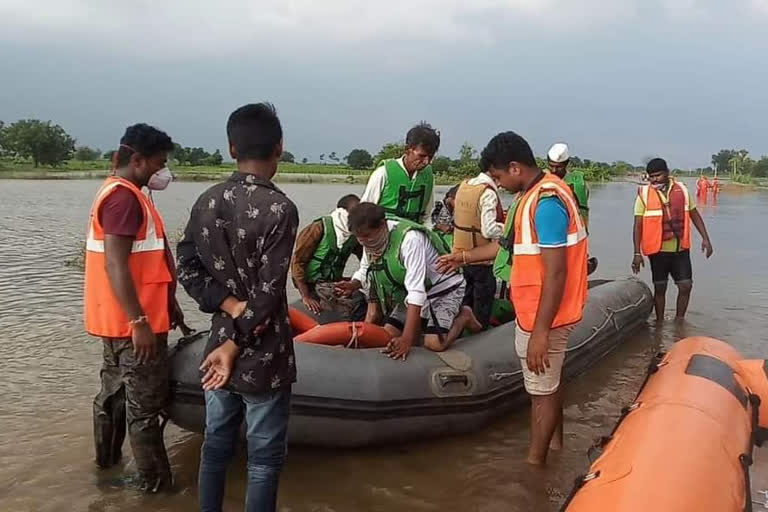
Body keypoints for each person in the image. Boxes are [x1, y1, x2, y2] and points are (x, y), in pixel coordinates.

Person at [438, 131, 588, 465]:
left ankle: (535, 471)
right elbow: (504, 246)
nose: (499, 184)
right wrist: (460, 258)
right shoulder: (530, 197)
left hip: (547, 316)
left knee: (540, 393)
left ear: (516, 167)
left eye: (499, 176)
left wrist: (540, 331)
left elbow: (556, 272)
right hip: (537, 312)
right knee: (548, 387)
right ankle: (556, 449)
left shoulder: (546, 204)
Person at [176, 103, 298, 512]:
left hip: (218, 342)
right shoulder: (280, 209)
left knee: (215, 445)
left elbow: (187, 267)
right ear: (279, 148)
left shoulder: (206, 202)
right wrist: (237, 340)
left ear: (231, 148)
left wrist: (226, 308)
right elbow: (268, 292)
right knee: (263, 460)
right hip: (264, 351)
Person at [84, 123, 185, 492]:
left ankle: (106, 468)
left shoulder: (123, 193)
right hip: (134, 325)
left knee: (111, 395)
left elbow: (147, 262)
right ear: (138, 160)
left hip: (118, 320)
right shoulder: (123, 198)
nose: (163, 172)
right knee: (143, 407)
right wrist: (139, 321)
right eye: (159, 164)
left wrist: (169, 302)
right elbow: (116, 263)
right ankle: (156, 488)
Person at [335, 203, 482, 358]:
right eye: (359, 238)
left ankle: (465, 316)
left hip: (443, 289)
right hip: (413, 291)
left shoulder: (410, 240)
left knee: (434, 344)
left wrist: (407, 339)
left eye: (367, 236)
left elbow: (416, 292)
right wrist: (353, 284)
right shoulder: (370, 242)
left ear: (383, 225)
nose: (363, 242)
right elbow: (366, 268)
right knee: (388, 335)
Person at [632, 158, 713, 322]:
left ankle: (679, 321)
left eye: (658, 175)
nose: (654, 179)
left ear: (667, 173)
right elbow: (637, 226)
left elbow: (694, 215)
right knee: (660, 288)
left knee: (686, 286)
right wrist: (636, 253)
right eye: (651, 176)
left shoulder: (682, 190)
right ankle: (660, 323)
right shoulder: (644, 195)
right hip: (658, 251)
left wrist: (706, 238)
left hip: (680, 249)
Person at [291, 194, 365, 319]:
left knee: (360, 301)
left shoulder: (355, 235)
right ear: (343, 213)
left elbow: (365, 261)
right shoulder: (318, 228)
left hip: (333, 284)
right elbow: (298, 262)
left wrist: (355, 282)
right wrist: (306, 297)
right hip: (312, 285)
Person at [452, 162, 505, 328]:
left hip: (461, 255)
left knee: (466, 297)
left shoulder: (465, 186)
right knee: (483, 299)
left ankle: (461, 331)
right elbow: (489, 230)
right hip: (481, 258)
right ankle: (480, 332)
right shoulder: (487, 193)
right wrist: (508, 229)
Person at [361, 122, 440, 224]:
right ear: (407, 150)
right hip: (384, 229)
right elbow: (365, 210)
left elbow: (428, 214)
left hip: (416, 230)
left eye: (430, 157)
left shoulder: (428, 176)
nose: (426, 162)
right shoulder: (383, 173)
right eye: (421, 156)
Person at [547, 142, 589, 227]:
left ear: (567, 164)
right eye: (551, 166)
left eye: (559, 167)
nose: (554, 170)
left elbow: (581, 211)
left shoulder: (578, 184)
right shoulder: (543, 181)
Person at [431, 185, 459, 249]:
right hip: (436, 241)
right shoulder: (438, 205)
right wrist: (440, 226)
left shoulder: (458, 210)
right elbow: (427, 222)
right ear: (450, 198)